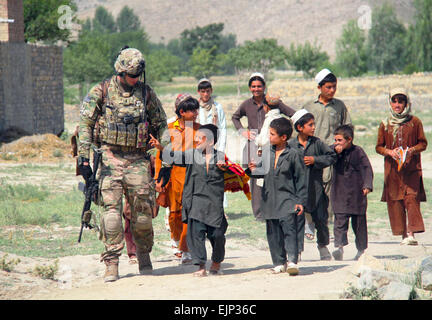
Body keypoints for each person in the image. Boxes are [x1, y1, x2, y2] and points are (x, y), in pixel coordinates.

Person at [77, 47, 168, 282]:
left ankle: (144, 254)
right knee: (111, 214)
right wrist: (83, 158)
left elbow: (161, 125)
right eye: (131, 75)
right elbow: (85, 124)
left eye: (138, 75)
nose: (135, 79)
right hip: (109, 157)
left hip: (138, 159)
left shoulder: (146, 93)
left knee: (143, 214)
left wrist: (165, 156)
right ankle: (111, 263)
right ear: (120, 70)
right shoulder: (102, 91)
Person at [151, 124, 229, 277]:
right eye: (196, 137)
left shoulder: (220, 157)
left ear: (211, 142)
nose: (197, 140)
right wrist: (161, 147)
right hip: (195, 202)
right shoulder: (192, 155)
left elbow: (234, 172)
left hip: (214, 205)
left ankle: (216, 261)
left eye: (201, 138)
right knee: (196, 235)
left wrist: (224, 168)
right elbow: (174, 157)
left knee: (218, 235)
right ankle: (200, 266)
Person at [247, 118, 307, 275]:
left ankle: (292, 261)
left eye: (272, 134)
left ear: (284, 137)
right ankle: (279, 262)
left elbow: (301, 179)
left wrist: (300, 201)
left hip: (288, 199)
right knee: (273, 233)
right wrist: (253, 169)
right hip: (268, 199)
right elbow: (261, 172)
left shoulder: (294, 154)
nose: (269, 136)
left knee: (289, 230)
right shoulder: (266, 152)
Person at [232, 73, 295, 221]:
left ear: (264, 86)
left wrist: (287, 130)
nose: (256, 89)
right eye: (253, 86)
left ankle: (272, 209)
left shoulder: (273, 101)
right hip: (254, 145)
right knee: (255, 178)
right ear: (249, 88)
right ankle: (259, 213)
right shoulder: (246, 104)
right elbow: (235, 117)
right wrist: (243, 131)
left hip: (273, 145)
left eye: (259, 86)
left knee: (272, 175)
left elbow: (292, 113)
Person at [302, 68, 352, 234]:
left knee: (330, 191)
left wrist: (342, 144)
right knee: (310, 189)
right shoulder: (309, 106)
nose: (331, 90)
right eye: (328, 87)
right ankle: (309, 223)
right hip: (312, 155)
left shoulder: (339, 106)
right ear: (319, 87)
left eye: (334, 87)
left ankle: (326, 226)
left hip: (332, 155)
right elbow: (299, 130)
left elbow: (348, 128)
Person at [375, 88, 427, 245]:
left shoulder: (415, 122)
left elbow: (423, 143)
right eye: (394, 101)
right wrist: (390, 152)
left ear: (406, 103)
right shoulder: (385, 124)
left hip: (411, 169)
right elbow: (378, 147)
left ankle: (411, 233)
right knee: (396, 200)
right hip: (393, 171)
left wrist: (411, 151)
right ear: (390, 103)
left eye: (401, 101)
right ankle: (403, 234)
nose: (397, 104)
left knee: (411, 198)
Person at [155, 94, 201, 264]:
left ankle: (185, 248)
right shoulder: (168, 130)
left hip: (193, 177)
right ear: (182, 112)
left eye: (197, 110)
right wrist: (158, 179)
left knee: (189, 215)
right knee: (174, 215)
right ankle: (175, 242)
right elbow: (161, 156)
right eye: (193, 110)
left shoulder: (200, 129)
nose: (196, 113)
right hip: (173, 177)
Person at [288, 109, 336, 260]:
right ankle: (298, 251)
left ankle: (323, 246)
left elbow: (331, 156)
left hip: (316, 190)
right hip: (297, 192)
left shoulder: (317, 143)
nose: (314, 127)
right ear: (300, 127)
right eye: (310, 125)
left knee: (321, 220)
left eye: (313, 124)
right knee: (297, 221)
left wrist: (316, 160)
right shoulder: (291, 145)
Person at [331, 125, 373, 260]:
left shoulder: (358, 151)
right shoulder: (333, 151)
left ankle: (361, 250)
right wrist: (334, 150)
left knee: (359, 223)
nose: (336, 143)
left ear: (349, 140)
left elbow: (367, 169)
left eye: (339, 140)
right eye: (335, 140)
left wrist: (367, 185)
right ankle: (339, 248)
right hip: (340, 193)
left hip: (357, 194)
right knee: (340, 222)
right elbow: (326, 154)